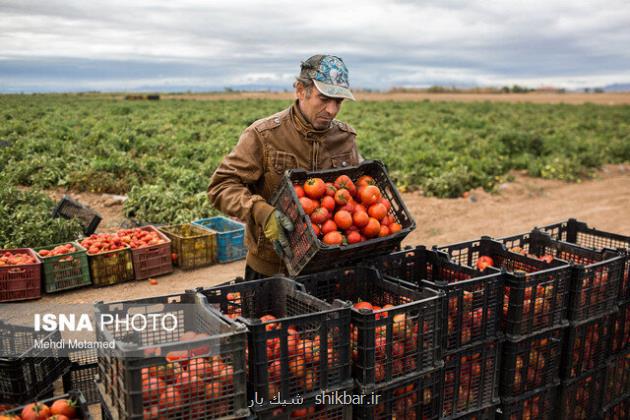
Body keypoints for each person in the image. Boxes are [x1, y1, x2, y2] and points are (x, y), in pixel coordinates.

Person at [208, 54, 361, 279]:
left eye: (338, 101)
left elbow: (357, 195)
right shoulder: (264, 135)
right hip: (272, 267)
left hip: (330, 265)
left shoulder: (344, 138)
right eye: (324, 98)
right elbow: (221, 186)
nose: (331, 110)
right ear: (300, 90)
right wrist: (260, 211)